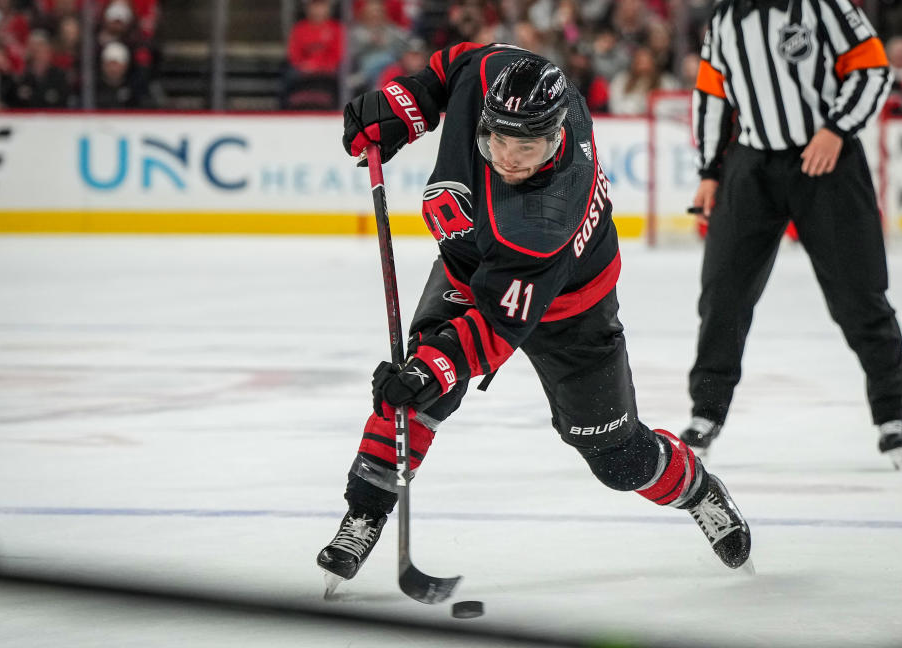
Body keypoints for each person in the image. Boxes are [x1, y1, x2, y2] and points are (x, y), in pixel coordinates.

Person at [316, 44, 753, 593]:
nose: (508, 157)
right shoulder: (496, 77)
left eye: (527, 146)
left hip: (572, 306)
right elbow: (456, 64)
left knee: (617, 457)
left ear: (555, 135)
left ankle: (696, 487)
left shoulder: (543, 216)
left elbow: (497, 328)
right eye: (498, 139)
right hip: (469, 271)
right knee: (417, 395)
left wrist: (433, 368)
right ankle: (365, 511)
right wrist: (406, 106)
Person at [682, 0, 902, 469]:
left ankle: (892, 416)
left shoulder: (825, 5)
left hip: (826, 164)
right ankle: (706, 413)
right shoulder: (725, 18)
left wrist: (836, 129)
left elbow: (872, 68)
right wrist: (709, 170)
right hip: (751, 167)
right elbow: (712, 94)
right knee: (723, 295)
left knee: (859, 295)